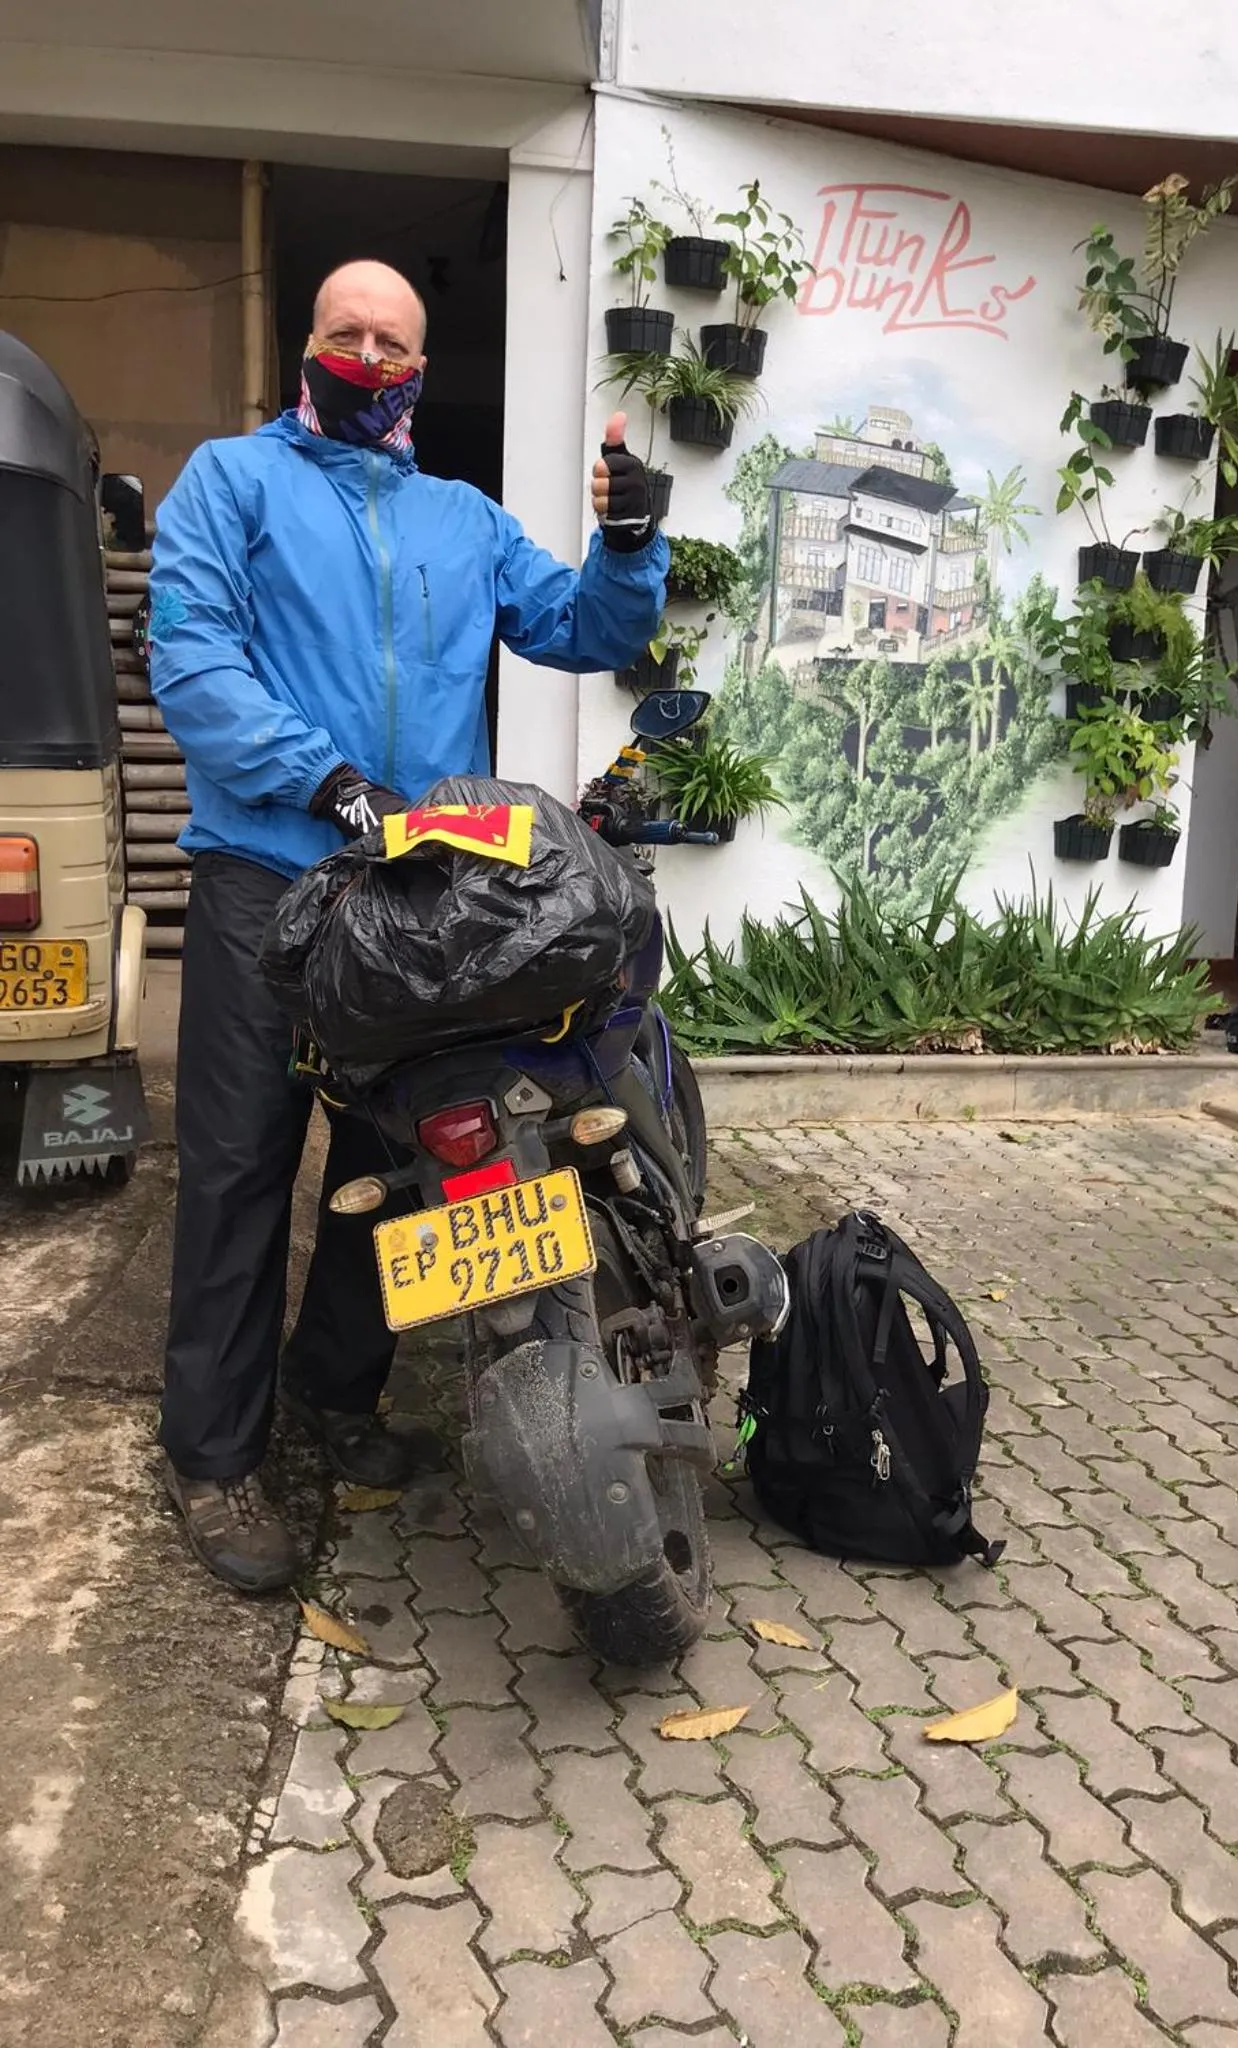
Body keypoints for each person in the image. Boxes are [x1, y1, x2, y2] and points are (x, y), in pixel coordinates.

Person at [147, 259, 667, 1592]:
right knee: (240, 1169)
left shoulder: (461, 517)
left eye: (393, 343)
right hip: (270, 875)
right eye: (348, 335)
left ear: (421, 371)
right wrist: (324, 780)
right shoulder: (231, 483)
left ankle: (335, 1391)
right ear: (307, 346)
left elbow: (580, 627)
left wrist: (628, 543)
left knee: (409, 1157)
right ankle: (212, 1457)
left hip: (419, 895)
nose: (369, 357)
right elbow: (191, 658)